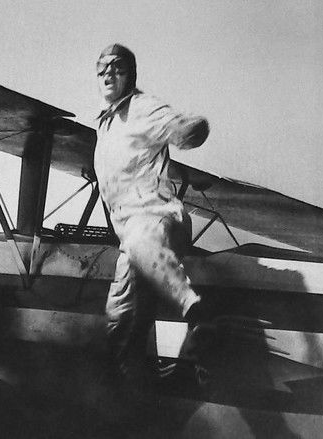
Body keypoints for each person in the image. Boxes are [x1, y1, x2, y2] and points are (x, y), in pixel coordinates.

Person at [93, 43, 212, 385]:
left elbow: (178, 127)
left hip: (158, 218)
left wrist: (188, 129)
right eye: (102, 68)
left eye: (117, 67)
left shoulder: (142, 107)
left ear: (131, 74)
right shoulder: (106, 123)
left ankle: (196, 311)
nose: (108, 73)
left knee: (139, 242)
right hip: (130, 236)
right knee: (118, 317)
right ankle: (135, 392)